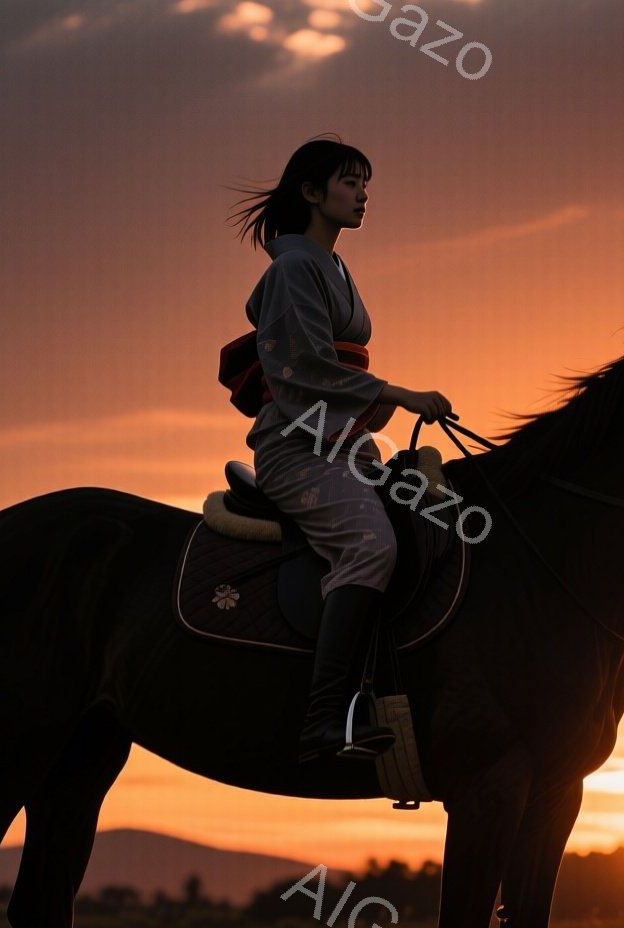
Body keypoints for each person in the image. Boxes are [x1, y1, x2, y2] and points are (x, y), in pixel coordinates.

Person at [223, 134, 452, 763]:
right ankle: (324, 718)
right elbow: (300, 372)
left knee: (438, 517)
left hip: (340, 442)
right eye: (350, 183)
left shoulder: (333, 268)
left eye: (365, 185)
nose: (362, 195)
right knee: (370, 544)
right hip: (295, 446)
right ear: (311, 192)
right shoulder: (294, 269)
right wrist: (399, 394)